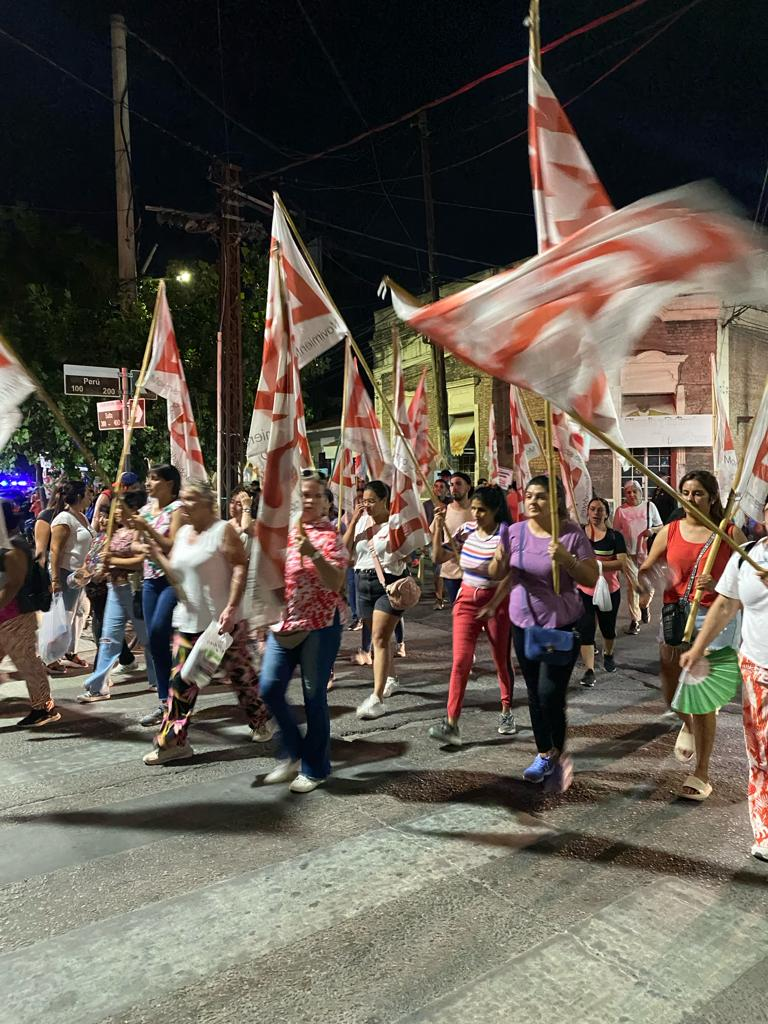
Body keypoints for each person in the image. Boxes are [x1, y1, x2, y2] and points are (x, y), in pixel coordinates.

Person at [142, 479, 272, 765]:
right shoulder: (185, 531)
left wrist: (231, 607)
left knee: (241, 679)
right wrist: (154, 554)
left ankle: (262, 720)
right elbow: (175, 573)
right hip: (187, 622)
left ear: (205, 502)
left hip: (219, 626)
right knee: (182, 683)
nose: (183, 504)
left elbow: (240, 566)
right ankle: (173, 742)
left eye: (189, 499)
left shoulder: (222, 530)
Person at [638, 470, 746, 800]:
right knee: (672, 696)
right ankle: (688, 722)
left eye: (698, 493)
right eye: (685, 492)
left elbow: (751, 577)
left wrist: (719, 585)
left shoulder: (727, 532)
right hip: (676, 617)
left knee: (701, 699)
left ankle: (702, 773)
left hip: (717, 620)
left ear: (713, 498)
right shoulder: (669, 531)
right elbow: (646, 571)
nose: (690, 499)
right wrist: (647, 580)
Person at [491, 476, 597, 790]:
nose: (533, 502)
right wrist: (499, 560)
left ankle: (559, 753)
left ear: (555, 501)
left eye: (541, 497)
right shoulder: (514, 532)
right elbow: (497, 573)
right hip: (523, 623)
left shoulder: (570, 534)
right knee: (535, 694)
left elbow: (592, 575)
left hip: (559, 624)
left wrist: (567, 560)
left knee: (551, 694)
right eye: (529, 496)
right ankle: (543, 753)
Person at [680, 496, 768, 858]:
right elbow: (724, 604)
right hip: (756, 670)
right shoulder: (747, 554)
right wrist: (698, 646)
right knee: (761, 756)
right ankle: (764, 833)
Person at [259, 474, 348, 792]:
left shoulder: (330, 537)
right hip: (283, 624)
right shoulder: (283, 530)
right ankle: (294, 751)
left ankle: (315, 768)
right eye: (304, 495)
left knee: (314, 699)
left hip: (319, 627)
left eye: (315, 496)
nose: (308, 500)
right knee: (269, 688)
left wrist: (310, 550)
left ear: (326, 502)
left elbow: (336, 582)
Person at [428, 485, 516, 746]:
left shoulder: (506, 535)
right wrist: (437, 525)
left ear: (495, 510)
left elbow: (511, 575)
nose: (476, 514)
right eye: (474, 508)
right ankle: (451, 723)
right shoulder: (465, 530)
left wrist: (494, 603)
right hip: (466, 600)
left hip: (496, 603)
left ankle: (507, 710)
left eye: (482, 510)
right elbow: (438, 555)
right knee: (460, 661)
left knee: (501, 659)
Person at [77, 490, 157, 702]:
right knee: (108, 638)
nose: (117, 512)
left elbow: (141, 561)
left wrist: (113, 561)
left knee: (147, 638)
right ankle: (97, 687)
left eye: (121, 508)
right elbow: (102, 563)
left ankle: (159, 679)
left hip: (135, 590)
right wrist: (98, 571)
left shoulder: (140, 532)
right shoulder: (115, 534)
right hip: (114, 589)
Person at [345, 480, 409, 720]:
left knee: (379, 639)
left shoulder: (395, 522)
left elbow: (403, 551)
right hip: (362, 582)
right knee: (379, 637)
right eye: (364, 500)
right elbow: (344, 549)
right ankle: (390, 678)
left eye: (372, 501)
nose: (367, 505)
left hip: (387, 583)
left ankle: (376, 698)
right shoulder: (362, 521)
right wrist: (353, 521)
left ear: (385, 500)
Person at [129, 465, 185, 728]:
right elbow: (135, 545)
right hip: (150, 580)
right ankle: (165, 702)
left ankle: (181, 693)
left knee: (162, 629)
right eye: (148, 478)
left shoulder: (177, 509)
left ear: (170, 483)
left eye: (154, 479)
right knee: (153, 642)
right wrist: (141, 540)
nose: (149, 483)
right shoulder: (144, 512)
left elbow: (171, 544)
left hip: (172, 579)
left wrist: (147, 533)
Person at [0, 502, 61, 727]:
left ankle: (44, 707)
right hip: (6, 617)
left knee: (27, 663)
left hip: (15, 617)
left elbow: (13, 584)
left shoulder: (14, 547)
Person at [576, 497, 632, 686]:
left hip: (609, 590)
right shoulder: (580, 534)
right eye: (592, 509)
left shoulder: (615, 537)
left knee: (608, 629)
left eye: (600, 510)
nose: (596, 513)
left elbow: (622, 563)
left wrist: (597, 565)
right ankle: (589, 670)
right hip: (584, 590)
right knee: (586, 629)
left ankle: (608, 654)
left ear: (607, 513)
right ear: (587, 512)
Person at [48, 479, 94, 669]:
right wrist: (56, 579)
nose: (91, 497)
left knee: (80, 612)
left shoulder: (81, 516)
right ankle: (51, 658)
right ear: (79, 496)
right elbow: (55, 550)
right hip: (67, 574)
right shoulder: (64, 519)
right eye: (88, 493)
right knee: (62, 617)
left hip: (80, 575)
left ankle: (69, 651)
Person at [613, 480, 663, 634]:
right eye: (628, 492)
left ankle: (644, 605)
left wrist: (652, 531)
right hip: (628, 555)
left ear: (641, 492)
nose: (632, 495)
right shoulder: (621, 511)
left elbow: (661, 526)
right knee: (633, 586)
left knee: (650, 586)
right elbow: (615, 532)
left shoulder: (649, 507)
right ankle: (635, 620)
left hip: (648, 554)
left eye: (635, 491)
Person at [433, 472, 474, 608]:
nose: (454, 488)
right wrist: (438, 525)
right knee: (458, 611)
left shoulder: (476, 511)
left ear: (468, 487)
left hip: (474, 570)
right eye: (451, 485)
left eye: (458, 484)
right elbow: (434, 535)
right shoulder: (444, 511)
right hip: (451, 571)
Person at [227, 486, 257, 557]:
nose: (233, 506)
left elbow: (246, 528)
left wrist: (246, 506)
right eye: (232, 502)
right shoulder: (226, 524)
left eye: (239, 504)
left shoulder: (253, 524)